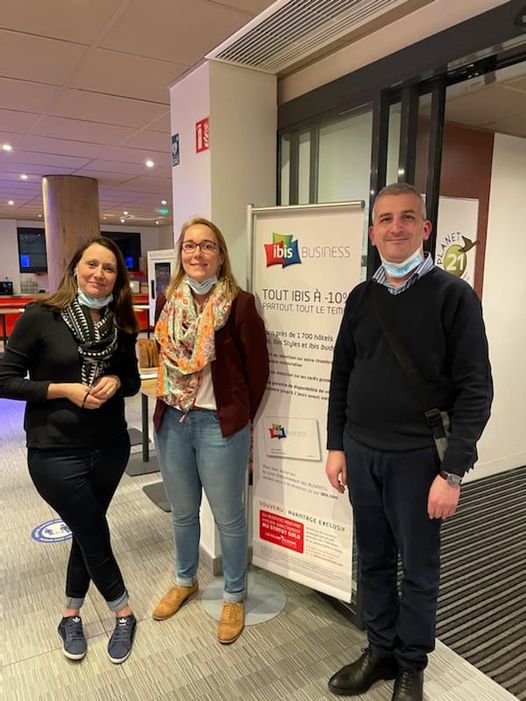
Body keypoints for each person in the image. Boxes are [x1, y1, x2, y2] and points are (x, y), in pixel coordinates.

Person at [325, 183, 493, 701]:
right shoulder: (361, 297)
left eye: (406, 217)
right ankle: (380, 649)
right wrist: (336, 445)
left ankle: (411, 664)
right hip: (361, 452)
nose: (395, 227)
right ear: (372, 231)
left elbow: (476, 390)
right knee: (373, 559)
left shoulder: (453, 296)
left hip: (419, 461)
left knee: (418, 569)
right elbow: (342, 374)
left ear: (425, 228)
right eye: (385, 219)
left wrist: (452, 473)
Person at [0, 236, 141, 664]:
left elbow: (132, 380)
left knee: (85, 529)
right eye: (91, 264)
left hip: (110, 446)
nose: (99, 274)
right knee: (94, 531)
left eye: (109, 268)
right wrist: (63, 390)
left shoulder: (120, 323)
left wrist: (115, 380)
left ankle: (70, 614)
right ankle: (123, 612)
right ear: (75, 267)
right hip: (55, 450)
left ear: (117, 278)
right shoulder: (41, 316)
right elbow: (5, 380)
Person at [152, 216, 269, 644]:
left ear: (220, 256)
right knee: (183, 512)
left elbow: (258, 372)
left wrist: (238, 416)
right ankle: (186, 580)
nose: (197, 253)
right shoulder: (168, 302)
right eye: (189, 246)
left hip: (219, 426)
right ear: (181, 254)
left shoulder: (239, 304)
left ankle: (234, 594)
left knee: (228, 517)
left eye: (207, 246)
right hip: (172, 421)